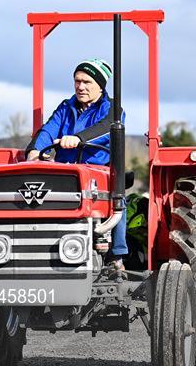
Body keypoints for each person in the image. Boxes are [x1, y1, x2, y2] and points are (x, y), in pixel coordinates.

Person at [25, 59, 128, 277]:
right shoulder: (66, 107)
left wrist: (78, 138)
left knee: (117, 199)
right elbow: (48, 130)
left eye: (87, 82)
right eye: (77, 81)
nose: (80, 86)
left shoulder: (113, 110)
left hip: (96, 171)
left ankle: (116, 256)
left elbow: (105, 128)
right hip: (64, 172)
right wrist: (34, 151)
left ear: (100, 86)